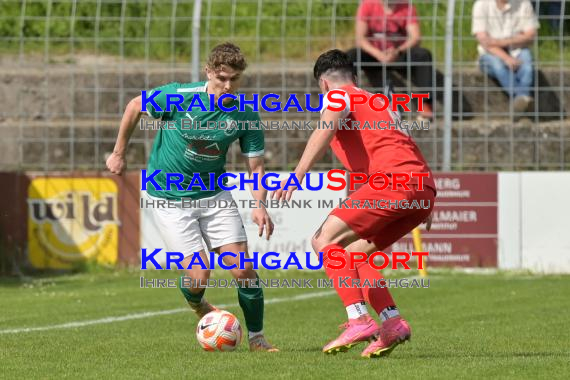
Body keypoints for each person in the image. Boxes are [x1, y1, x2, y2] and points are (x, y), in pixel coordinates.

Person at [106, 42, 278, 352]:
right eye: (222, 78)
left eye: (235, 79)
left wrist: (260, 205)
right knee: (199, 273)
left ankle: (258, 339)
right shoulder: (179, 96)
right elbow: (134, 106)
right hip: (169, 198)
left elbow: (256, 166)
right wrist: (119, 153)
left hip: (214, 196)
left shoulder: (245, 115)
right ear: (209, 72)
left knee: (242, 269)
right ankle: (198, 306)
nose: (228, 85)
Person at [273, 49, 436, 358]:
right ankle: (392, 322)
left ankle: (358, 318)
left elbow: (325, 128)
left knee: (323, 240)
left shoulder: (338, 97)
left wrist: (297, 174)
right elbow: (404, 144)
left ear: (322, 84)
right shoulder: (380, 103)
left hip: (392, 182)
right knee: (354, 254)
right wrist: (427, 198)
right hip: (421, 186)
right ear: (356, 77)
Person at [346, 0, 435, 120]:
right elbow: (360, 39)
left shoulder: (406, 7)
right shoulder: (367, 4)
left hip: (397, 55)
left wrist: (397, 51)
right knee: (350, 55)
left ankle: (426, 104)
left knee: (423, 55)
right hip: (373, 55)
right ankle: (346, 99)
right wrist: (378, 54)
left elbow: (415, 37)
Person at [472, 0, 540, 112]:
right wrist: (506, 57)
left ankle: (520, 101)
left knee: (527, 64)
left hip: (517, 50)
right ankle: (522, 98)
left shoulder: (524, 3)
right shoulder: (481, 5)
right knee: (498, 65)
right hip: (490, 53)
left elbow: (531, 35)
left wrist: (499, 42)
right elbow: (485, 42)